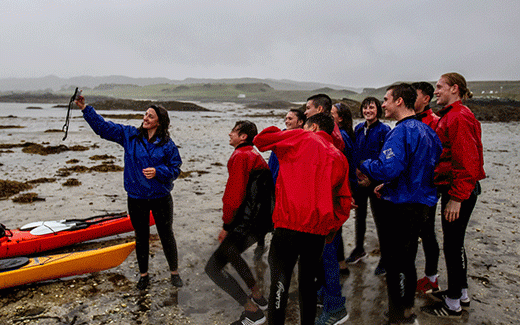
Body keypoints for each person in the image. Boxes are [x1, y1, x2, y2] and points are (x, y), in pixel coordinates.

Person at [75, 97, 183, 290]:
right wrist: (85, 108)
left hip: (161, 198)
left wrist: (159, 172)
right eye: (145, 114)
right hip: (136, 198)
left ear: (160, 121)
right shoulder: (130, 135)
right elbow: (103, 128)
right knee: (141, 237)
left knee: (166, 235)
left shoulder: (167, 144)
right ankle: (144, 276)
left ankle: (174, 273)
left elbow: (175, 168)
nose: (146, 118)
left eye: (151, 116)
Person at [253, 116, 352, 325]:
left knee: (279, 283)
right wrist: (331, 229)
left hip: (287, 226)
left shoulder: (299, 138)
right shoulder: (339, 156)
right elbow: (343, 202)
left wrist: (290, 130)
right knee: (308, 284)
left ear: (313, 126)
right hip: (316, 233)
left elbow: (260, 140)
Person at [357, 83, 442, 325]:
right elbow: (426, 165)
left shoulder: (401, 131)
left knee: (395, 264)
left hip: (404, 207)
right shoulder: (427, 131)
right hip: (422, 204)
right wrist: (394, 184)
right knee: (408, 259)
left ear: (400, 102)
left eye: (386, 99)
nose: (382, 104)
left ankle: (398, 317)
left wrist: (365, 164)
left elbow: (388, 168)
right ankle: (406, 311)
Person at [421, 73, 485, 318]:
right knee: (454, 243)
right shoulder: (453, 115)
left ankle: (453, 305)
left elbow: (467, 161)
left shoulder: (458, 116)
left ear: (454, 89)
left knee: (452, 244)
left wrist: (456, 198)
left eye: (439, 87)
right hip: (457, 187)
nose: (436, 91)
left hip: (460, 190)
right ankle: (461, 292)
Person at [205, 121, 272, 325]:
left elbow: (233, 196)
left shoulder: (240, 156)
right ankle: (258, 297)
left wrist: (226, 226)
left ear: (243, 137)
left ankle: (253, 312)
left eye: (233, 131)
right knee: (232, 254)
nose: (229, 134)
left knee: (213, 268)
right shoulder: (254, 154)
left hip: (246, 222)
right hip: (259, 222)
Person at [304, 113, 351, 325]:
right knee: (324, 264)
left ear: (313, 127)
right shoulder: (334, 152)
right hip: (326, 220)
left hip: (324, 222)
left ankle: (337, 308)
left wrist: (332, 223)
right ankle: (326, 296)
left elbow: (333, 193)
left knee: (329, 263)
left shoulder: (326, 154)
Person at [346, 97, 391, 276]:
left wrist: (372, 180)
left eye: (371, 108)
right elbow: (355, 152)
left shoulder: (384, 130)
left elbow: (385, 157)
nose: (367, 111)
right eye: (365, 108)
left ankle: (385, 258)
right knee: (360, 216)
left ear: (378, 110)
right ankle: (358, 249)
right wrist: (357, 172)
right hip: (360, 180)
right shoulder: (358, 128)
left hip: (375, 182)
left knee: (381, 220)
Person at [411, 82, 442, 294]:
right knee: (412, 233)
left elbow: (437, 157)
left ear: (426, 99)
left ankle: (431, 277)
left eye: (415, 95)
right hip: (410, 187)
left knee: (427, 232)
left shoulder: (435, 122)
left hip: (426, 188)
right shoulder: (409, 120)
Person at [331, 102, 356, 274]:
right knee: (336, 227)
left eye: (331, 113)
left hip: (339, 189)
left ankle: (339, 264)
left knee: (334, 228)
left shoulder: (342, 137)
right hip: (344, 188)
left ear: (340, 118)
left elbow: (343, 167)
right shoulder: (345, 134)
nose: (328, 114)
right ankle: (341, 263)